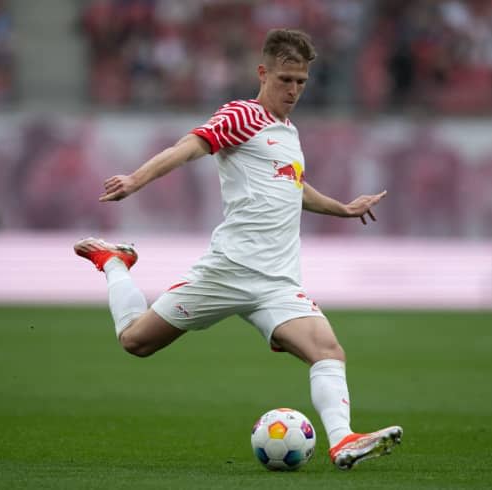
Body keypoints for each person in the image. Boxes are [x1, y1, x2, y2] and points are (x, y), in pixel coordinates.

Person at [74, 28, 401, 469]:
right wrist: (135, 179)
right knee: (136, 341)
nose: (294, 90)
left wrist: (343, 209)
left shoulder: (289, 132)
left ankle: (342, 441)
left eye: (301, 82)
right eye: (285, 79)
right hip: (228, 270)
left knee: (328, 351)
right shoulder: (241, 115)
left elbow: (295, 187)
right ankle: (115, 262)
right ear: (262, 73)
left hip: (277, 281)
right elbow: (187, 148)